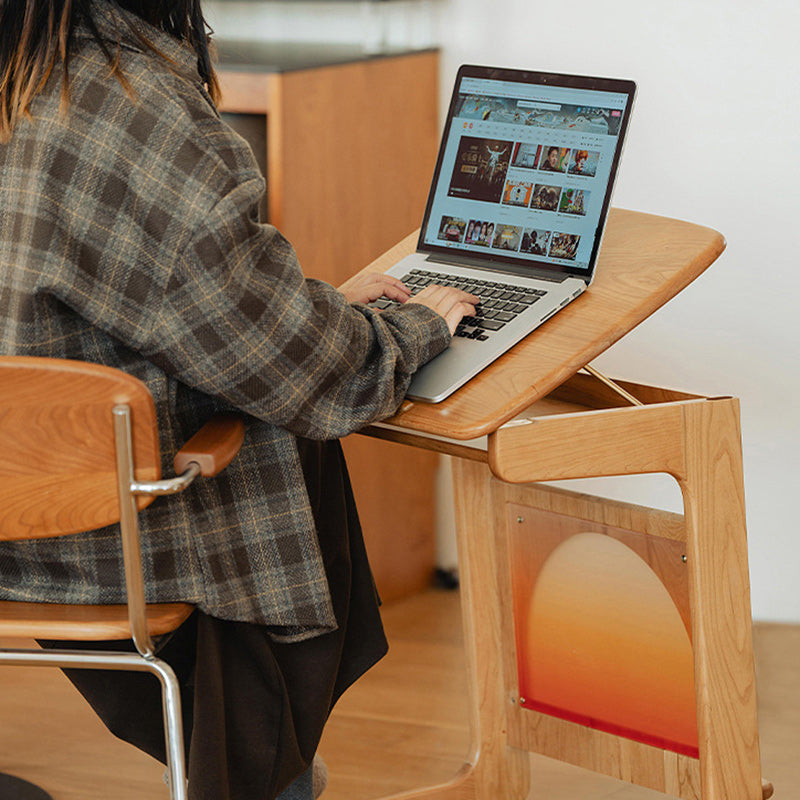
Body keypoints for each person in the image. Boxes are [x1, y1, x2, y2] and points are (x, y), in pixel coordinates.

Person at [0, 2, 478, 800]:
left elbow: (132, 304)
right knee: (283, 421)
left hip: (17, 508)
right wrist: (408, 327)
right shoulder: (133, 108)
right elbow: (305, 372)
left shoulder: (29, 79)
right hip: (104, 536)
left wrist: (311, 302)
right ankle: (265, 768)